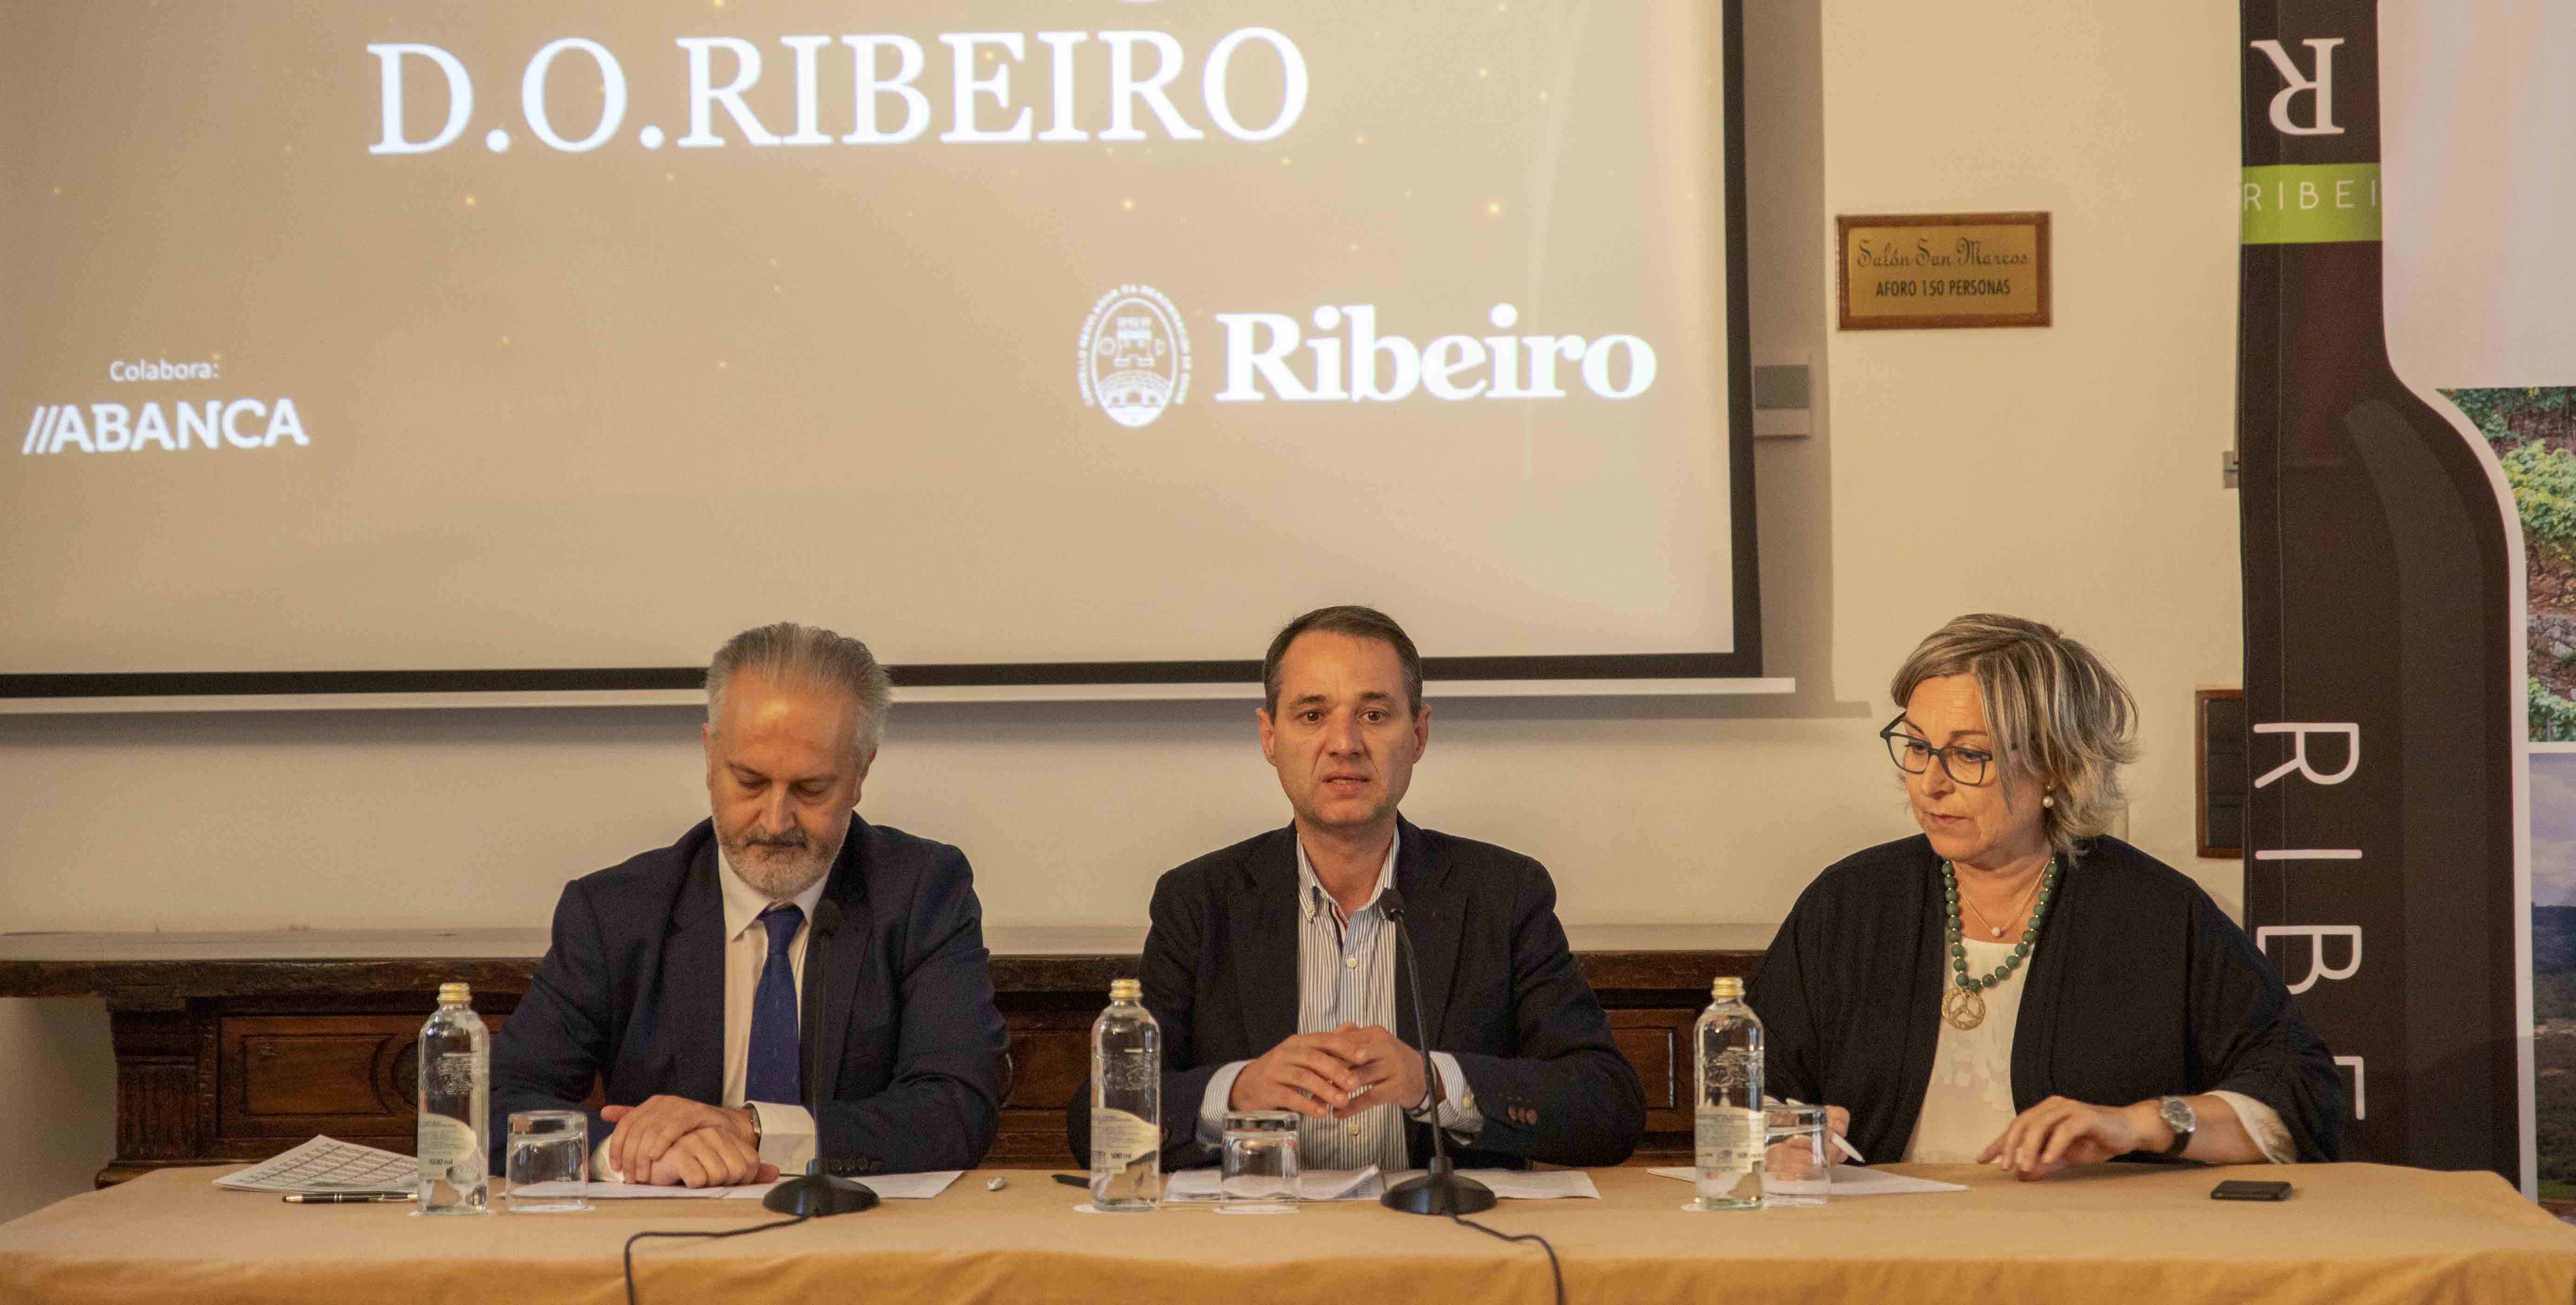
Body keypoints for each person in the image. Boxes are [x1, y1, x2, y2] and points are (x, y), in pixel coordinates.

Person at [1750, 614, 2344, 1176]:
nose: (1930, 782)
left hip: (2086, 1255)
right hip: (1884, 1254)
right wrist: (1782, 1139)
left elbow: (2300, 1093)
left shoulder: (2154, 913)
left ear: (2056, 765)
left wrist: (2143, 1122)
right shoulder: (1850, 905)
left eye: (1968, 754)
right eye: (1916, 746)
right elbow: (1746, 1091)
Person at [1067, 605, 1645, 1172]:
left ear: (1418, 734)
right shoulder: (1200, 901)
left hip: (1448, 1247)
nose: (1344, 743)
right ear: (1270, 737)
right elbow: (1092, 1122)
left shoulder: (1501, 893)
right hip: (1257, 1246)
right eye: (1313, 715)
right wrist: (1237, 1091)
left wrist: (1435, 1082)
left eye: (1373, 715)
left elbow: (1608, 1104)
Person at [491, 623, 1010, 1185]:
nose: (775, 820)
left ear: (861, 775)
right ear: (710, 756)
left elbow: (957, 1108)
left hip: (860, 1243)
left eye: (811, 790)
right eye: (750, 781)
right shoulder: (616, 912)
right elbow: (495, 1106)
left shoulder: (920, 893)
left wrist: (755, 1128)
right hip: (663, 1248)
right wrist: (630, 1151)